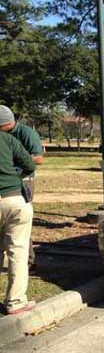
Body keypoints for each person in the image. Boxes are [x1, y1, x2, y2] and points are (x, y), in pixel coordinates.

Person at [0, 106, 43, 271]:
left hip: (23, 180)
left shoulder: (25, 133)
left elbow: (38, 159)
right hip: (8, 180)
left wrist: (13, 162)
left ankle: (29, 261)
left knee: (19, 222)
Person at [0, 127, 37, 315]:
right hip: (14, 200)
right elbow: (30, 164)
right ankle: (15, 301)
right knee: (18, 251)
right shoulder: (7, 139)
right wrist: (14, 175)